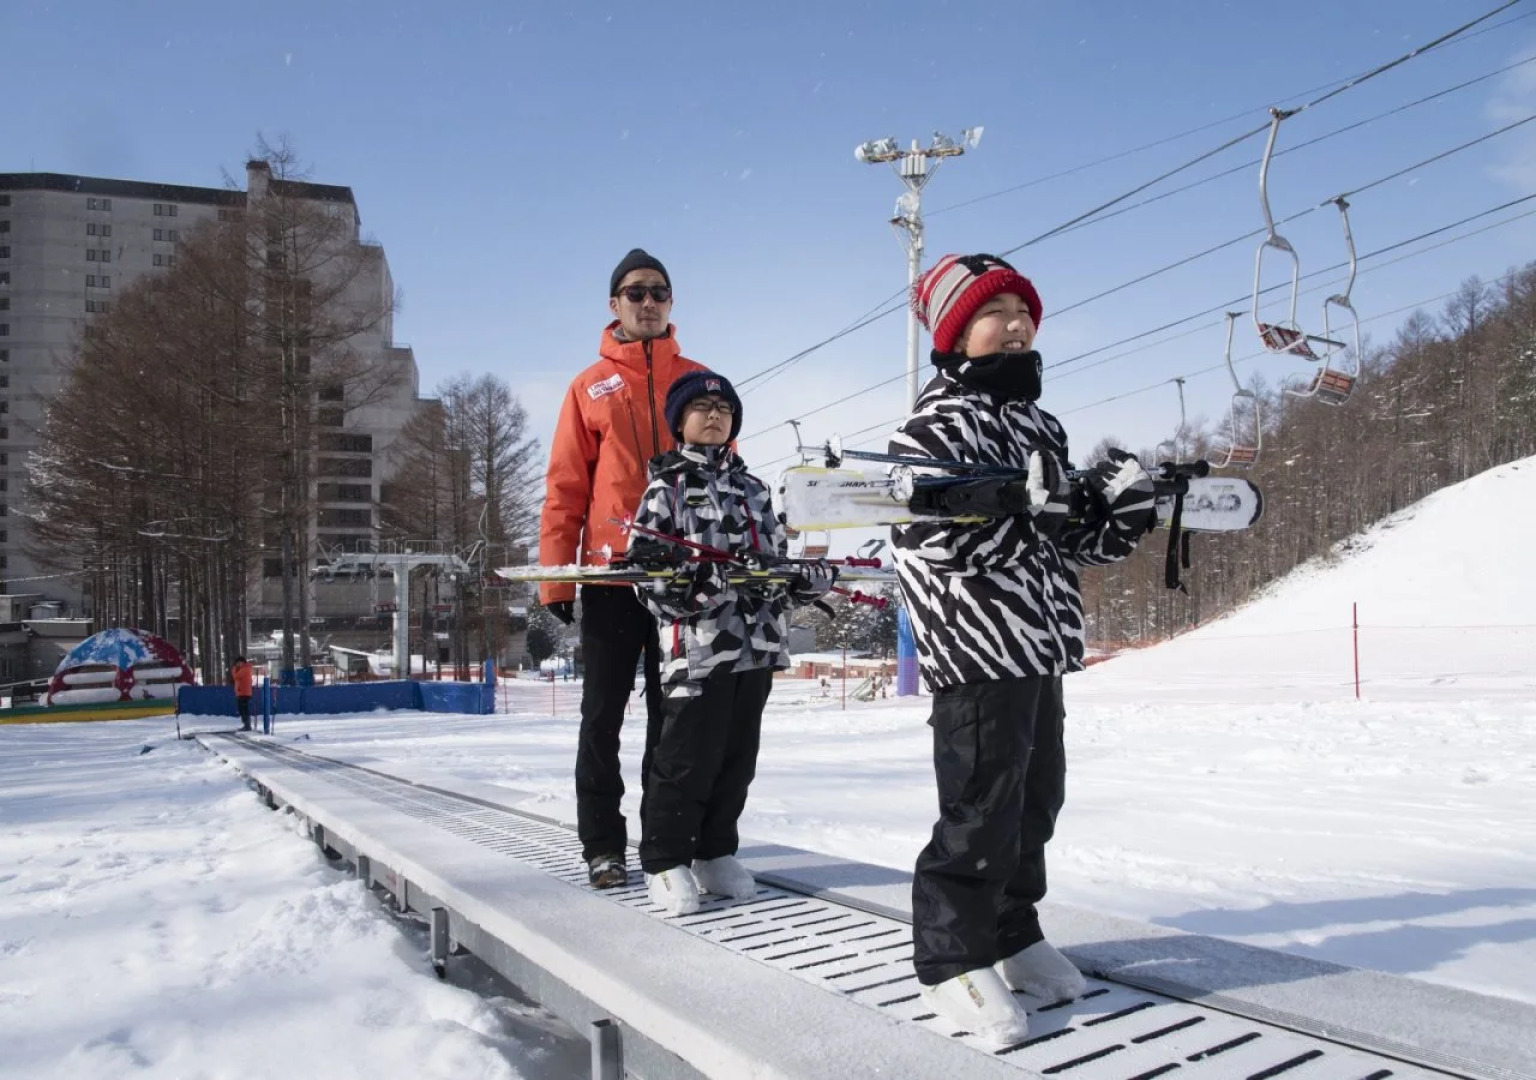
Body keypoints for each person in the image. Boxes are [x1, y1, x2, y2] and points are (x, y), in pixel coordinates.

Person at [891, 253, 1158, 1048]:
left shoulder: (1039, 423)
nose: (1014, 322)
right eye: (992, 310)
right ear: (955, 332)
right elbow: (932, 538)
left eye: (1023, 309)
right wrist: (1020, 510)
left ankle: (1013, 929)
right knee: (979, 806)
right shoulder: (934, 425)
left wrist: (1118, 515)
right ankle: (953, 958)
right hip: (975, 647)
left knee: (1037, 798)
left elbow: (1066, 541)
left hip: (1037, 643)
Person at [629, 371, 836, 915]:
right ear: (679, 421)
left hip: (758, 646)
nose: (714, 415)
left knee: (737, 756)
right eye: (700, 407)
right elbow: (645, 578)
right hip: (697, 650)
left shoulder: (754, 490)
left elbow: (772, 567)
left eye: (723, 408)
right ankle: (665, 859)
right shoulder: (664, 489)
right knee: (685, 758)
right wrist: (692, 587)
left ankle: (715, 850)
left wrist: (800, 581)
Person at [539, 249, 708, 889]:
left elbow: (726, 477)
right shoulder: (588, 387)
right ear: (614, 304)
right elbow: (564, 487)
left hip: (686, 583)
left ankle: (670, 848)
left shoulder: (699, 381)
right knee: (602, 716)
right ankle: (603, 847)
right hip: (613, 578)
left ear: (671, 302)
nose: (647, 301)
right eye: (634, 292)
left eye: (659, 291)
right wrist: (558, 575)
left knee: (679, 722)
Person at [230, 656, 254, 731]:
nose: (237, 665)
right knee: (242, 709)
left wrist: (234, 670)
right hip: (242, 692)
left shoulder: (245, 669)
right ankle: (246, 724)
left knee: (243, 709)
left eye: (238, 663)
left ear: (242, 662)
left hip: (244, 692)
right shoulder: (244, 668)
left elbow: (236, 676)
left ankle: (247, 725)